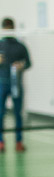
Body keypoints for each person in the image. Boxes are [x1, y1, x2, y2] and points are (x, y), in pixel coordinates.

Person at [0, 17, 31, 153]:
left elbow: (28, 63)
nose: (7, 29)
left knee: (18, 113)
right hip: (1, 84)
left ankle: (19, 142)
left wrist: (21, 65)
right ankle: (0, 142)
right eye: (5, 27)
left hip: (16, 85)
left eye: (9, 27)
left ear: (13, 28)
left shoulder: (21, 46)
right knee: (0, 114)